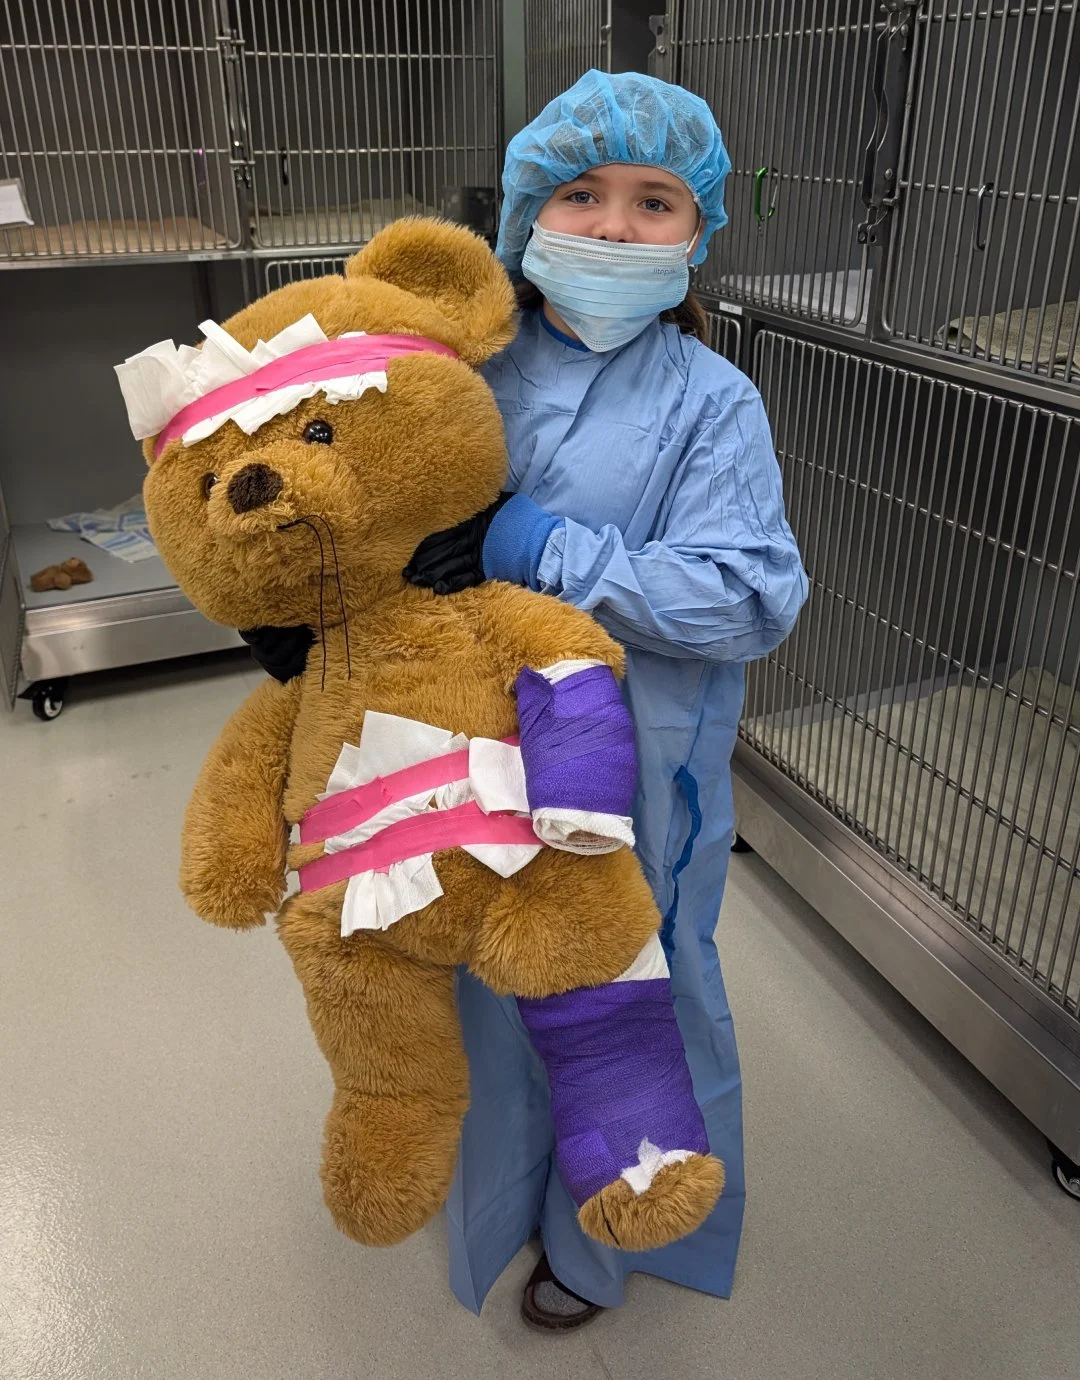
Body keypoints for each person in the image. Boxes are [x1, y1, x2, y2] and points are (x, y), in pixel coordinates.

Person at [247, 69, 807, 1331]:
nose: (612, 227)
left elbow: (750, 599)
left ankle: (614, 1241)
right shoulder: (447, 375)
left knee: (637, 987)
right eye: (581, 194)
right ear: (523, 219)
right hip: (443, 760)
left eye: (653, 202)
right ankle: (496, 1210)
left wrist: (549, 551)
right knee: (477, 990)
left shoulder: (712, 406)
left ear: (700, 231)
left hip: (629, 769)